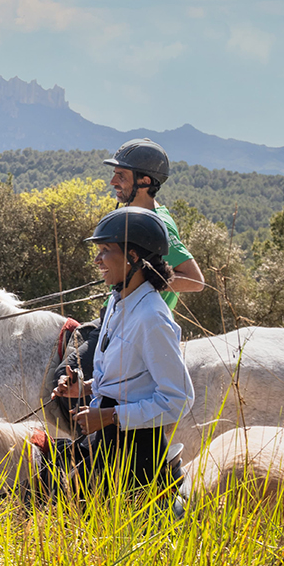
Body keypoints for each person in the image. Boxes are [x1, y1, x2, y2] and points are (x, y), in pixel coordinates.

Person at [51, 206, 193, 494]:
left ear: (133, 256)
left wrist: (110, 416)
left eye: (105, 250)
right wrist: (85, 387)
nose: (97, 259)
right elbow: (129, 381)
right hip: (106, 441)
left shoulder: (152, 318)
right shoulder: (118, 301)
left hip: (135, 456)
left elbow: (179, 399)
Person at [103, 138, 205, 310]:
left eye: (121, 176)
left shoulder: (158, 224)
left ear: (145, 181)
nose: (113, 181)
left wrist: (139, 282)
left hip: (139, 325)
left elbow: (195, 281)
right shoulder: (139, 216)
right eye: (114, 173)